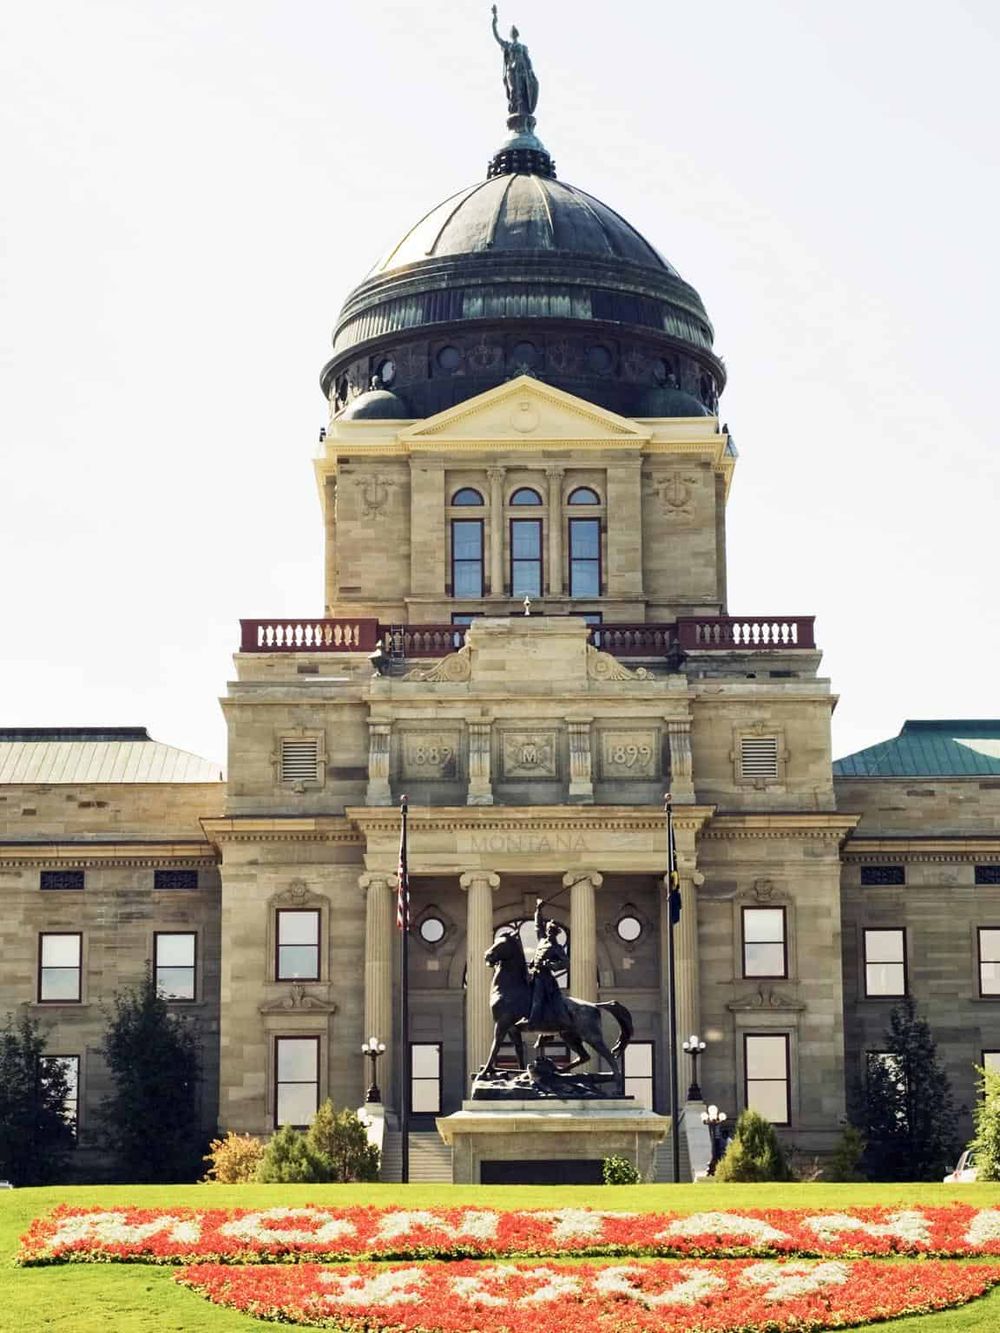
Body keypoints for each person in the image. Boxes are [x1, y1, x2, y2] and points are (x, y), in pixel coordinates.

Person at [515, 898, 569, 1030]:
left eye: (552, 930)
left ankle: (532, 1022)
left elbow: (565, 963)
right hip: (534, 973)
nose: (549, 931)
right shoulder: (542, 940)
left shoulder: (557, 948)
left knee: (537, 998)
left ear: (555, 934)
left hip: (544, 977)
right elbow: (538, 925)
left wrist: (550, 964)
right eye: (549, 929)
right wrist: (538, 909)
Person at [491, 5, 539, 119]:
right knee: (514, 91)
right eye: (513, 32)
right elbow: (497, 37)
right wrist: (494, 21)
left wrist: (531, 73)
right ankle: (515, 112)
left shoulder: (522, 47)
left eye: (515, 32)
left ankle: (523, 111)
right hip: (512, 71)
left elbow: (528, 61)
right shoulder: (508, 45)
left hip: (522, 71)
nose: (514, 34)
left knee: (523, 90)